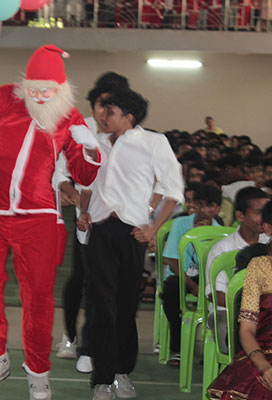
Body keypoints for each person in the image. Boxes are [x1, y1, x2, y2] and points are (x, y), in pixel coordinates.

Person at [0, 44, 102, 400]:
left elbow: (84, 175)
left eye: (46, 90)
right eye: (33, 88)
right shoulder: (2, 97)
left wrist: (90, 149)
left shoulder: (69, 117)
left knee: (37, 296)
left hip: (38, 216)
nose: (38, 96)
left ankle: (38, 370)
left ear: (61, 89)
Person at [77, 87, 184, 400]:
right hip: (99, 230)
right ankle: (101, 379)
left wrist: (152, 228)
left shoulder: (153, 143)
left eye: (110, 111)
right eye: (102, 110)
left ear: (129, 115)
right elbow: (86, 183)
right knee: (101, 305)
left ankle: (121, 370)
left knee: (125, 305)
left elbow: (173, 191)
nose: (102, 116)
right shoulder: (94, 141)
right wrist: (84, 213)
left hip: (132, 233)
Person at [56, 72, 130, 376]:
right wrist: (68, 189)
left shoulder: (133, 133)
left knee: (109, 286)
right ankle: (71, 337)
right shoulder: (80, 128)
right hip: (87, 219)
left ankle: (97, 345)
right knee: (82, 279)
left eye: (116, 104)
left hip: (121, 221)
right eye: (103, 103)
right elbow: (60, 169)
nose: (108, 111)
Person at [207, 200, 272, 399]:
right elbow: (247, 330)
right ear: (268, 228)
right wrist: (264, 367)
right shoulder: (259, 267)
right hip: (262, 354)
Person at [161, 183, 222, 367]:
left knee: (221, 296)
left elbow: (217, 264)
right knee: (171, 291)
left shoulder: (220, 230)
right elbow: (170, 259)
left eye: (209, 206)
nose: (203, 210)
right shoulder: (180, 223)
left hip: (206, 276)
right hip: (180, 274)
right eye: (200, 204)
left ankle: (214, 348)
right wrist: (192, 285)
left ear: (217, 209)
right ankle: (177, 348)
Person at [204, 187, 270, 352]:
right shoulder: (222, 249)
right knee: (225, 324)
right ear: (240, 215)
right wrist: (247, 309)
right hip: (227, 310)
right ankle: (235, 360)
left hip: (263, 311)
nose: (263, 218)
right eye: (258, 212)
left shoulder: (268, 245)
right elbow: (214, 293)